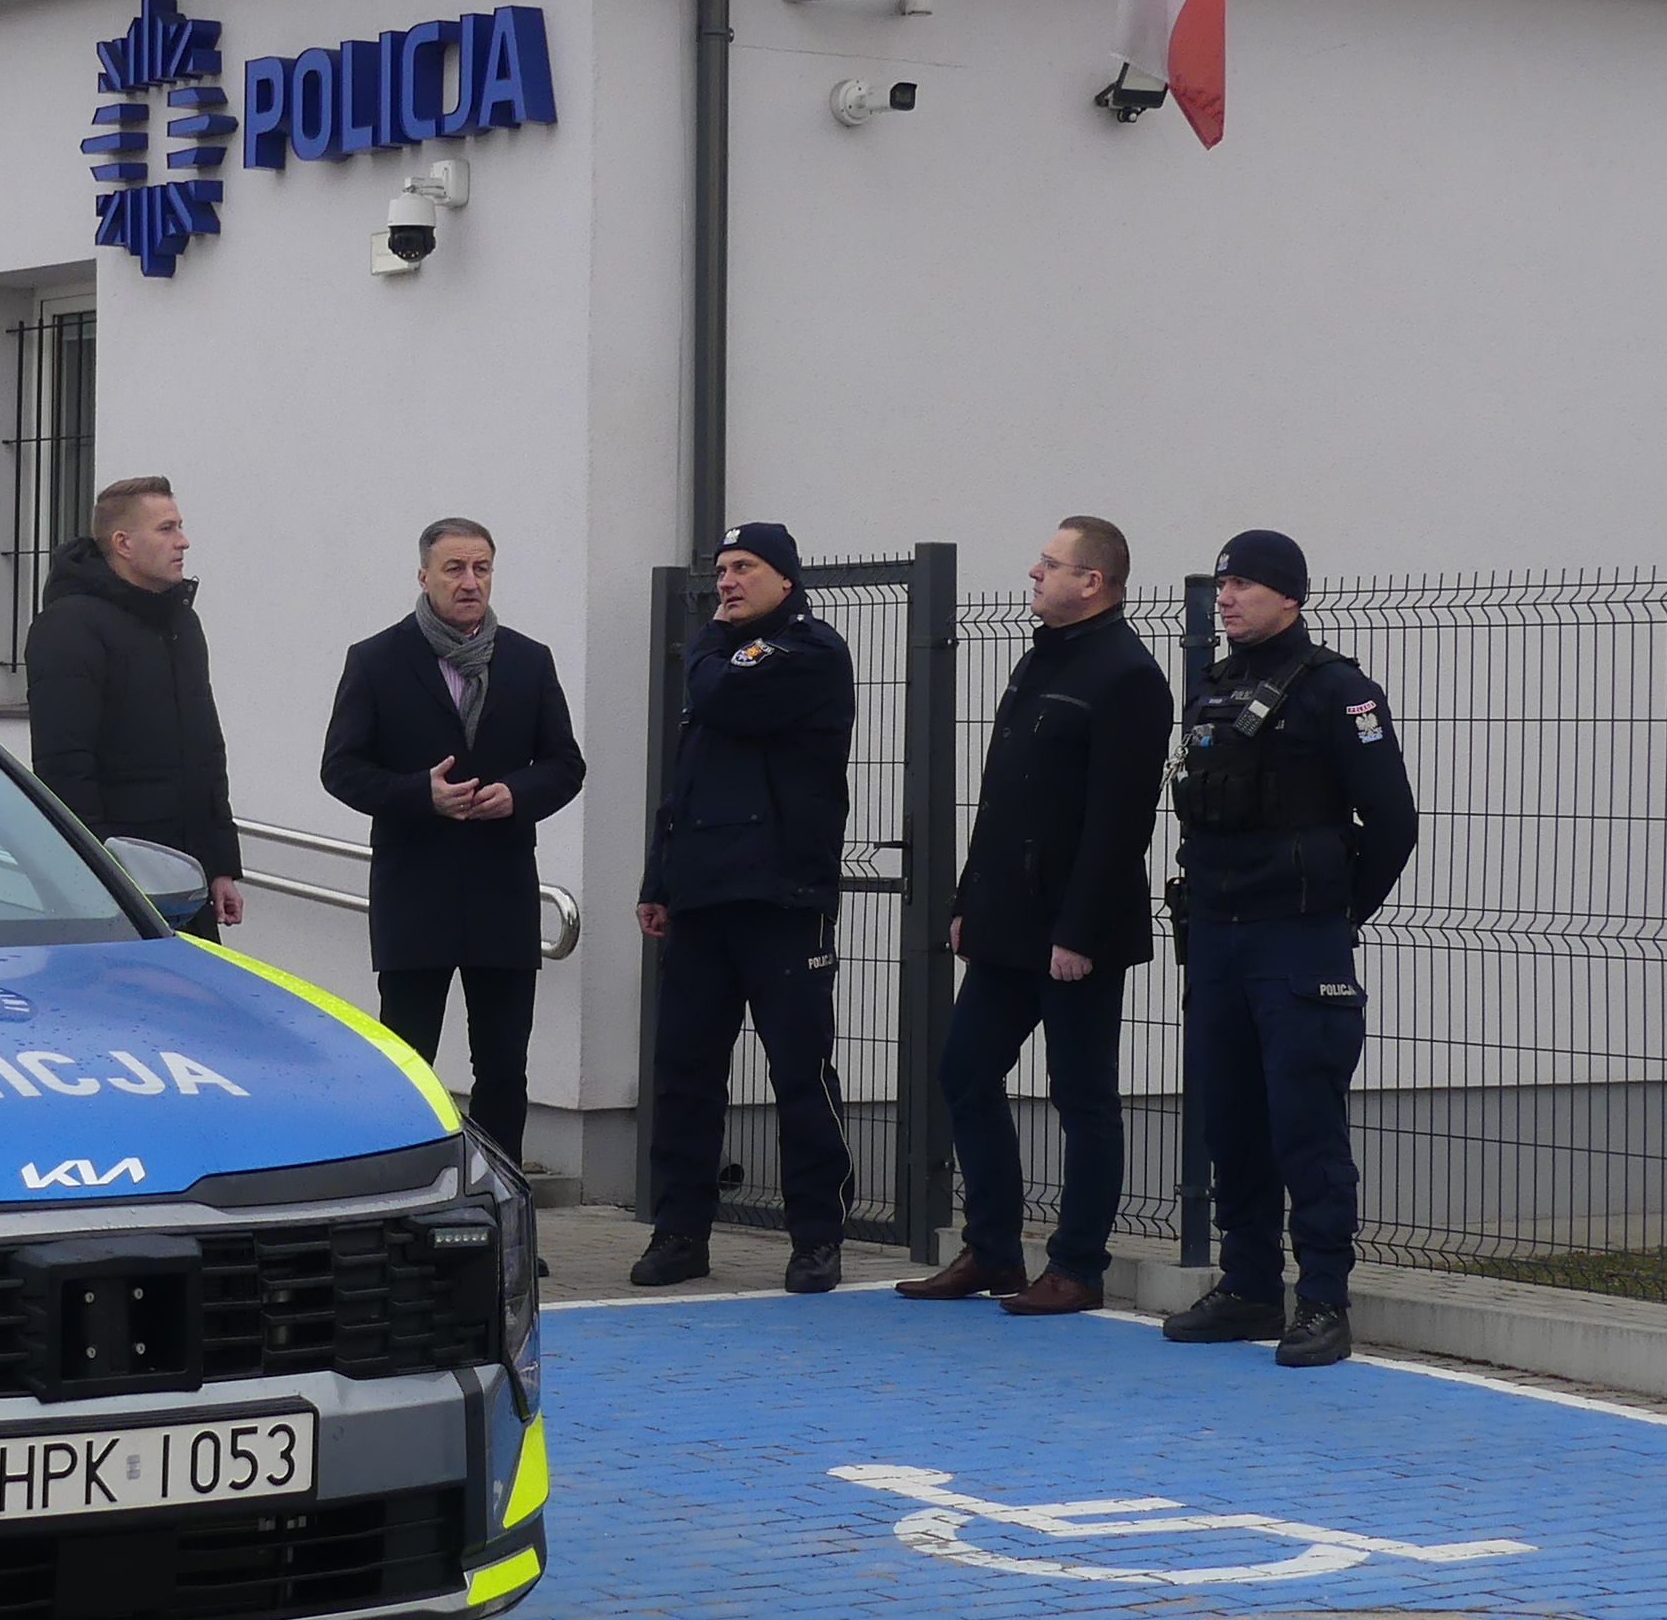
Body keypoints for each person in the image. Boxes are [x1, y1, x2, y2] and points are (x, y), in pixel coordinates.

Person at [899, 517, 1173, 1315]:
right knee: (965, 1070)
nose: (1034, 572)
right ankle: (992, 1251)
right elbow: (1003, 799)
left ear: (1093, 581)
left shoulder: (1127, 675)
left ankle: (1078, 1266)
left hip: (1074, 932)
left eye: (1050, 565)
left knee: (1082, 1095)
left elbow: (1121, 821)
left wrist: (1079, 934)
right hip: (1006, 924)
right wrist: (966, 904)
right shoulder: (1037, 661)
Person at [1160, 529, 1416, 1369]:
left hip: (1297, 939)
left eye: (1243, 584)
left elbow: (1392, 822)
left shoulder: (1337, 691)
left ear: (1289, 598)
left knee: (1304, 1122)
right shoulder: (1217, 687)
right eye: (1223, 583)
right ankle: (1246, 1286)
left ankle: (1324, 1299)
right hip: (1220, 940)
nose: (1225, 597)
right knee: (1230, 1119)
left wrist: (1340, 913)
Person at [635, 520, 857, 1293]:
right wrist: (659, 880)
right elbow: (686, 782)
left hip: (780, 898)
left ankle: (818, 1236)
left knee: (798, 1071)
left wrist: (701, 647)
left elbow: (721, 693)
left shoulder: (806, 652)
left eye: (745, 568)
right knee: (684, 1072)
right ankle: (679, 1231)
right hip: (701, 900)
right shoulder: (721, 653)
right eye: (722, 569)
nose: (727, 582)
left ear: (785, 580)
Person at [320, 516, 584, 1161]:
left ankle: (502, 1212)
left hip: (501, 890)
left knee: (503, 1069)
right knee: (409, 1062)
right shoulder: (378, 659)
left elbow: (565, 764)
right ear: (424, 576)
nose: (470, 582)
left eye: (482, 568)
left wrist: (518, 794)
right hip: (416, 892)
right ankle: (410, 1199)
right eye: (455, 569)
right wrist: (420, 795)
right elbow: (341, 768)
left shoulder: (527, 659)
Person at [24, 475, 246, 934]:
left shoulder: (180, 621)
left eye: (179, 526)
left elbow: (206, 749)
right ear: (123, 543)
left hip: (186, 878)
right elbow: (64, 764)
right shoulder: (70, 626)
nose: (183, 542)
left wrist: (220, 864)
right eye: (166, 529)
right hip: (117, 886)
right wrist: (103, 875)